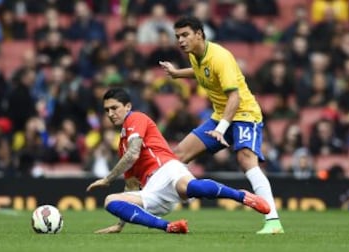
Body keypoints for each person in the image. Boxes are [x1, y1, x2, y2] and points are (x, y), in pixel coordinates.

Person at [159, 16, 284, 234]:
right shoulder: (196, 56)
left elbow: (234, 98)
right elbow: (201, 73)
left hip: (244, 113)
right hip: (220, 115)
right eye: (177, 36)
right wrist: (178, 73)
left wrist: (221, 128)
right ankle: (158, 207)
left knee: (246, 160)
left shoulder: (220, 57)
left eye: (185, 35)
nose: (180, 40)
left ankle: (273, 221)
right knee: (178, 155)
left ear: (199, 34)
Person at [86, 88, 270, 234]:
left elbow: (134, 153)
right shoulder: (121, 145)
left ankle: (242, 196)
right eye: (106, 110)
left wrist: (107, 179)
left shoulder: (135, 118)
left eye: (114, 108)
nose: (110, 113)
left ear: (127, 106)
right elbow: (132, 186)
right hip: (153, 190)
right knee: (111, 201)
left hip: (166, 168)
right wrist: (120, 225)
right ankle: (170, 226)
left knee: (190, 188)